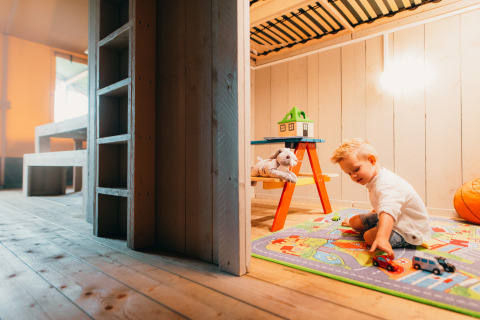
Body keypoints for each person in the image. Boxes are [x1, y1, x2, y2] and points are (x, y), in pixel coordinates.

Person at [330, 138, 431, 259]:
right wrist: (371, 217)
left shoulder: (386, 183)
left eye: (356, 169)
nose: (353, 176)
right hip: (397, 217)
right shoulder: (374, 181)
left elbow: (388, 210)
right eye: (349, 173)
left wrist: (382, 237)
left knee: (368, 237)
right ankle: (379, 228)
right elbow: (381, 205)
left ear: (372, 160)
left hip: (409, 228)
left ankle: (384, 235)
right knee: (354, 222)